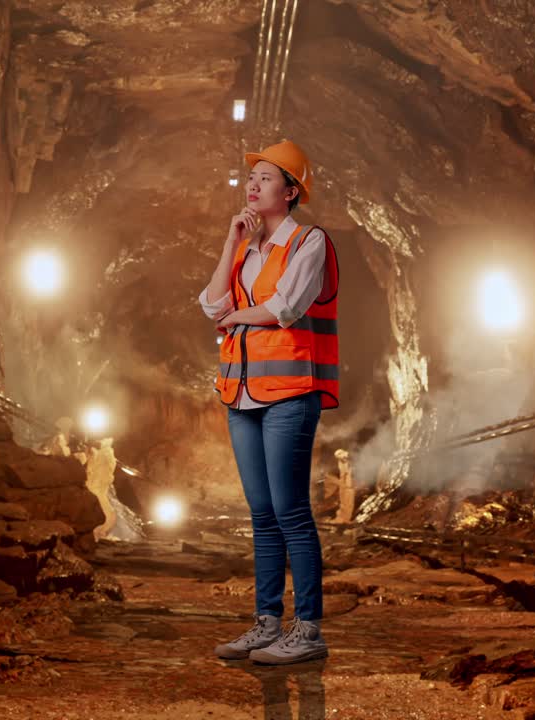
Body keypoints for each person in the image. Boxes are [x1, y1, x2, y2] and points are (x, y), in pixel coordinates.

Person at [199, 139, 339, 666]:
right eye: (251, 177)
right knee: (261, 514)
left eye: (265, 177)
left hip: (289, 394)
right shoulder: (249, 247)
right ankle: (266, 622)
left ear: (292, 190)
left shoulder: (310, 241)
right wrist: (231, 241)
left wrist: (236, 317)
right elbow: (212, 302)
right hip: (242, 394)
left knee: (291, 511)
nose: (252, 185)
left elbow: (285, 308)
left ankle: (308, 629)